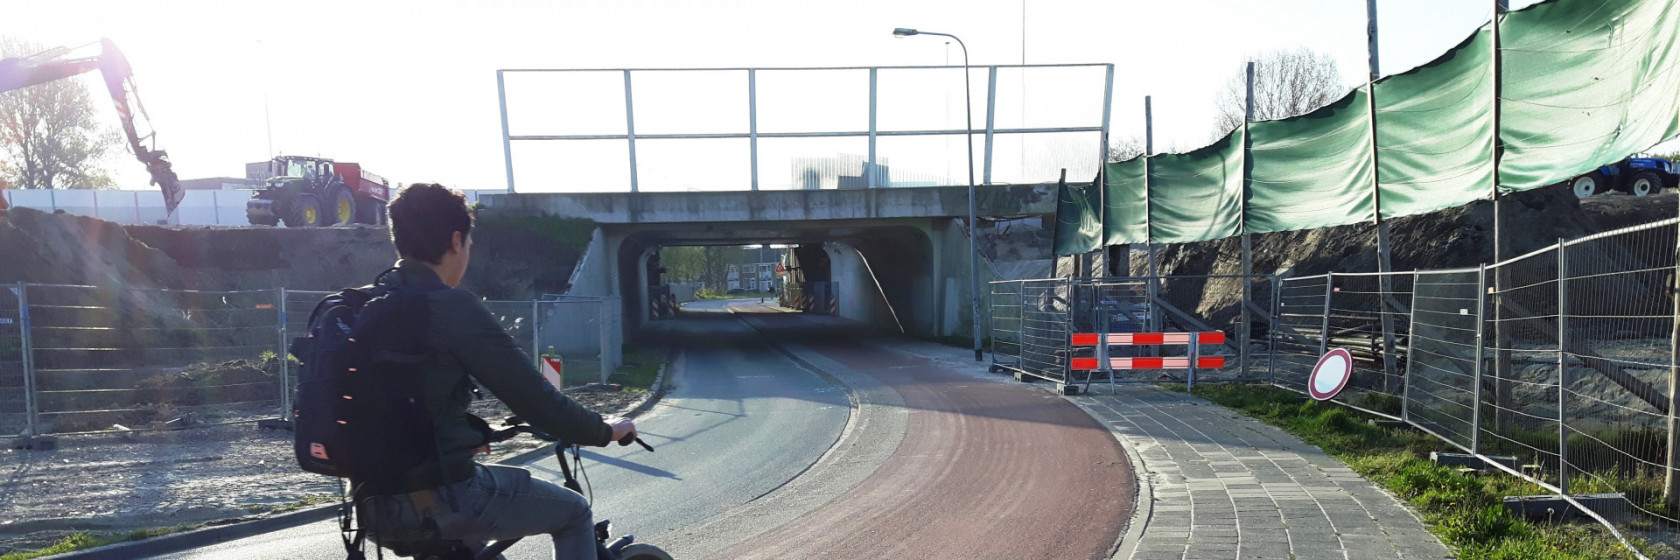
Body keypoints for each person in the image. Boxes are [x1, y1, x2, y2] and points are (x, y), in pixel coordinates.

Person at [358, 183, 636, 559]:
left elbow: (406, 400)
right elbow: (536, 399)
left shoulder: (366, 305)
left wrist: (467, 434)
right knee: (574, 512)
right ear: (456, 241)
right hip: (444, 496)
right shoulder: (449, 308)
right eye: (469, 243)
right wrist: (605, 430)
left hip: (373, 505)